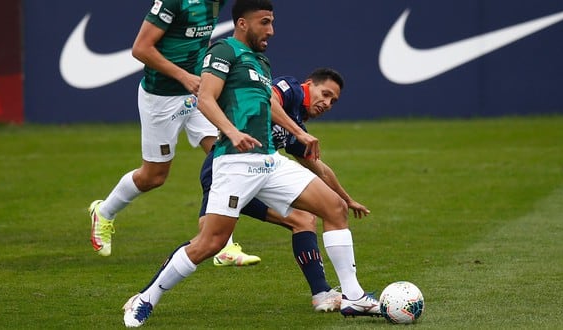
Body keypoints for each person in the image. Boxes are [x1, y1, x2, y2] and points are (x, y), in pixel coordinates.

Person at [122, 1, 381, 327]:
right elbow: (205, 98)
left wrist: (298, 133)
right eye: (265, 22)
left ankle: (353, 297)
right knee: (210, 243)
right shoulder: (224, 51)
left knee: (333, 209)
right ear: (243, 23)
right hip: (234, 163)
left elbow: (267, 104)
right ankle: (145, 298)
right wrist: (231, 131)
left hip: (269, 161)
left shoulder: (261, 61)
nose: (271, 30)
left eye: (272, 23)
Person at [88, 0, 259, 266]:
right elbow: (141, 48)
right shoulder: (174, 2)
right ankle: (104, 211)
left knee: (223, 157)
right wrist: (183, 76)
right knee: (154, 176)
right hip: (162, 96)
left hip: (199, 92)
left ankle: (223, 245)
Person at [199, 68, 370, 312]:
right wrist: (297, 131)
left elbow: (320, 169)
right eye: (325, 94)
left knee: (302, 219)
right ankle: (147, 295)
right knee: (206, 244)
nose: (328, 103)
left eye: (333, 101)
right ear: (309, 84)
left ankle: (321, 293)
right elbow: (268, 98)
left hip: (254, 178)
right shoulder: (290, 89)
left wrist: (347, 200)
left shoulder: (295, 126)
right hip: (225, 174)